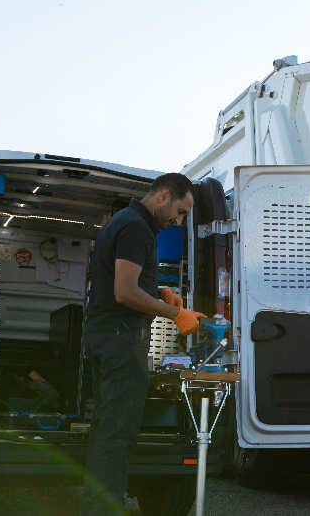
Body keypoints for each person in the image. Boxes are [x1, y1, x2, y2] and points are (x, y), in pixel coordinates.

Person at [80, 173, 206, 516]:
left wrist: (159, 291)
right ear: (163, 195)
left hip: (107, 336)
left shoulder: (125, 220)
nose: (178, 221)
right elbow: (124, 292)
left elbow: (121, 280)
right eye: (180, 211)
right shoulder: (136, 227)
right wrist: (175, 314)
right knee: (118, 434)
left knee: (107, 430)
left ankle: (95, 508)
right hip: (120, 339)